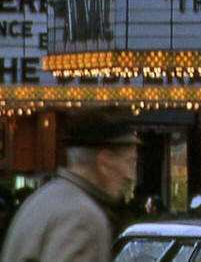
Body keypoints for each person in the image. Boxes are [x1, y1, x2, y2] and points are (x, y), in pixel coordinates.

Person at [1, 107, 140, 262]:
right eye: (129, 162)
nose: (130, 175)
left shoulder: (40, 200)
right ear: (104, 162)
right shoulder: (82, 217)